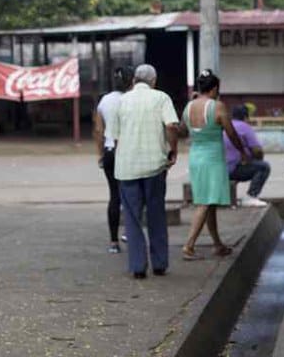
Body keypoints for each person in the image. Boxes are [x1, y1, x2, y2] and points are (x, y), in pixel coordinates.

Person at [108, 64, 182, 279]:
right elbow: (171, 126)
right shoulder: (161, 98)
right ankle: (159, 263)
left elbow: (114, 137)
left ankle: (138, 266)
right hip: (154, 166)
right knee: (156, 214)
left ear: (133, 81)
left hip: (127, 168)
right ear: (153, 80)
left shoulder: (121, 102)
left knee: (132, 218)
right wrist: (173, 149)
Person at [178, 70, 250, 259]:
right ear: (215, 88)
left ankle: (217, 244)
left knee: (208, 201)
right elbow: (231, 133)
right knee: (204, 203)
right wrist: (242, 151)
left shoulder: (189, 107)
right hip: (213, 159)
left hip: (196, 157)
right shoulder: (217, 107)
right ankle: (188, 246)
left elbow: (182, 130)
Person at [93, 65, 133, 253]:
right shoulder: (131, 100)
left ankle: (113, 242)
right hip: (128, 152)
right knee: (131, 195)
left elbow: (99, 130)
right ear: (131, 81)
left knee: (114, 196)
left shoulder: (104, 101)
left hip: (109, 152)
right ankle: (129, 233)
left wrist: (100, 154)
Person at [224, 104, 270, 207]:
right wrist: (257, 159)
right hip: (234, 169)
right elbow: (257, 150)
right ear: (246, 117)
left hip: (220, 169)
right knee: (264, 167)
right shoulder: (245, 127)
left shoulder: (225, 126)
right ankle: (251, 196)